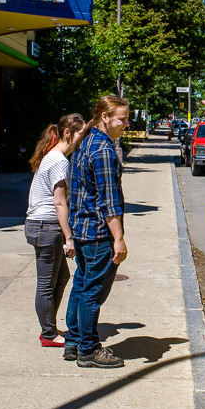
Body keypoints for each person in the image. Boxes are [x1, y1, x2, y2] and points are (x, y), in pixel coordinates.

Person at [64, 95, 131, 369]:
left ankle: (73, 342)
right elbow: (109, 201)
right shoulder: (103, 149)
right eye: (122, 119)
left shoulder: (85, 141)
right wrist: (119, 239)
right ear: (105, 117)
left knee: (81, 285)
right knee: (92, 292)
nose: (127, 124)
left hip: (81, 229)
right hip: (98, 233)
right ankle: (89, 350)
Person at [25, 113, 87, 348]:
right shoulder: (59, 161)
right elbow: (60, 202)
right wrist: (69, 238)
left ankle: (49, 326)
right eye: (81, 134)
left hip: (41, 225)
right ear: (68, 133)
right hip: (46, 227)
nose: (82, 140)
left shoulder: (52, 156)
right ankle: (49, 334)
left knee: (61, 278)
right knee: (46, 284)